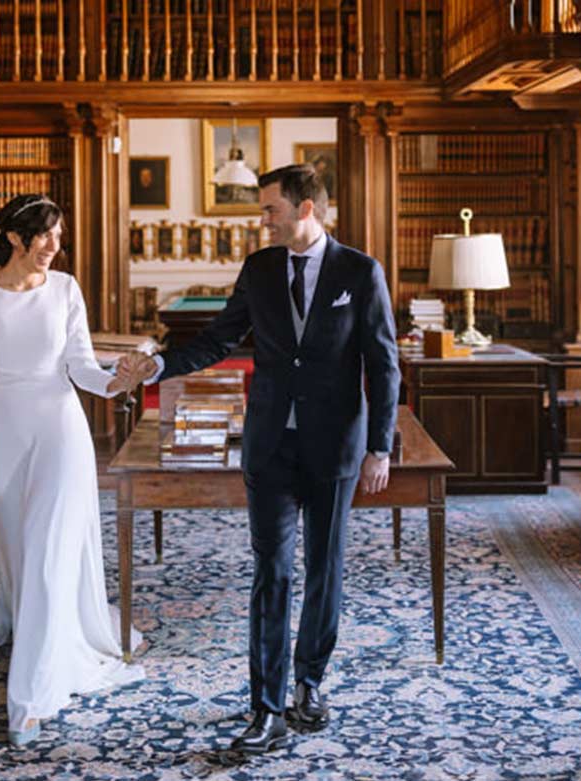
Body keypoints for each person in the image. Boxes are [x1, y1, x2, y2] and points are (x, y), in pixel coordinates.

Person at [118, 163, 399, 754]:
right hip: (269, 444)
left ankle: (309, 683)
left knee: (325, 570)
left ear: (305, 210)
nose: (261, 218)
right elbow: (220, 337)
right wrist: (162, 365)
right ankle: (266, 708)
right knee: (272, 571)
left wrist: (379, 445)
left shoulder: (360, 271)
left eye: (269, 208)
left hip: (335, 446)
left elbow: (383, 363)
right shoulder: (259, 268)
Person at [0, 194, 152, 746]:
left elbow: (81, 367)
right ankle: (37, 636)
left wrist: (120, 380)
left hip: (60, 430)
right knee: (20, 556)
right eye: (46, 235)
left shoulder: (67, 290)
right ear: (17, 238)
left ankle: (30, 697)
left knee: (49, 552)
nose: (55, 246)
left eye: (59, 235)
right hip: (1, 430)